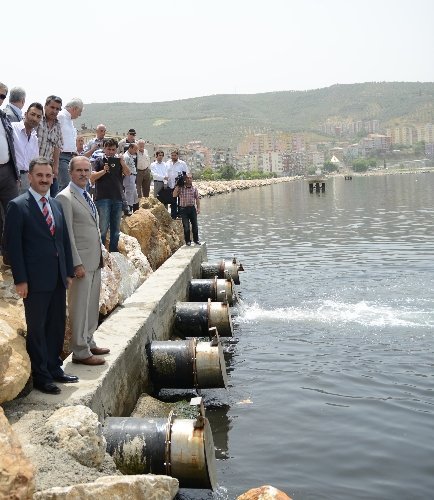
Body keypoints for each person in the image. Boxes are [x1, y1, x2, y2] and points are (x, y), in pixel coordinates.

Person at [3, 157, 77, 395]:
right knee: (37, 328)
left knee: (56, 325)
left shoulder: (55, 204)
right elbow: (13, 247)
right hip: (34, 281)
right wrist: (21, 280)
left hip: (57, 278)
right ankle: (42, 376)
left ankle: (55, 368)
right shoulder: (18, 206)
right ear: (30, 177)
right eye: (40, 176)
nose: (45, 180)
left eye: (48, 176)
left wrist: (67, 272)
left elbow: (62, 240)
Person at [56, 156, 108, 366]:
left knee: (91, 305)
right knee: (79, 307)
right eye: (79, 170)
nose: (84, 174)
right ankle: (79, 350)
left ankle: (89, 340)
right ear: (70, 173)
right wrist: (75, 263)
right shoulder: (65, 197)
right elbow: (67, 234)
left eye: (87, 170)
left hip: (95, 260)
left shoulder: (86, 194)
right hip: (81, 263)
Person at [90, 138, 131, 252]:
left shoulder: (119, 161)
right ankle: (101, 253)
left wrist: (122, 162)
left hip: (117, 198)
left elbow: (128, 173)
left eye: (113, 149)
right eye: (109, 149)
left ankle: (113, 252)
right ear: (104, 148)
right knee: (102, 229)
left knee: (116, 230)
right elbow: (92, 178)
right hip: (102, 198)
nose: (111, 152)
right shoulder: (98, 161)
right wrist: (103, 171)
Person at [0, 82, 20, 245]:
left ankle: (8, 253)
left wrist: (16, 173)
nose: (0, 99)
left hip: (7, 170)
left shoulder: (4, 117)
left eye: (2, 96)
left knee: (13, 211)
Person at [12, 102, 43, 193]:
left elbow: (34, 162)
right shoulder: (12, 128)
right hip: (12, 177)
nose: (35, 118)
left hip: (27, 179)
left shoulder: (34, 138)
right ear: (25, 114)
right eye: (32, 114)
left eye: (38, 116)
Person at [36, 95, 63, 197]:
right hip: (33, 166)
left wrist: (55, 168)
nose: (55, 111)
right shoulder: (37, 120)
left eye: (57, 109)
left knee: (51, 197)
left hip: (48, 167)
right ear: (45, 106)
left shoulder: (58, 125)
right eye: (52, 107)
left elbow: (57, 146)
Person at [57, 98, 84, 192]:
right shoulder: (61, 116)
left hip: (71, 156)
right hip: (61, 156)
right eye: (79, 112)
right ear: (74, 109)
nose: (79, 115)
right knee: (65, 184)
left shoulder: (70, 121)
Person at [172, 173, 201, 246]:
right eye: (187, 178)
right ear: (185, 179)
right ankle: (188, 241)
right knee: (186, 226)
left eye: (190, 178)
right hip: (183, 209)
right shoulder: (181, 188)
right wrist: (177, 185)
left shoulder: (194, 189)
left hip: (192, 209)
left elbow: (197, 199)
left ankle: (196, 240)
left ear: (192, 179)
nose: (189, 179)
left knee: (195, 225)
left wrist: (198, 208)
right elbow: (174, 195)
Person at [166, 149, 190, 219]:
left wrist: (186, 184)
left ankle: (180, 215)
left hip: (180, 185)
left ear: (178, 155)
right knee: (173, 201)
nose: (173, 157)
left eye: (175, 155)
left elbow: (186, 174)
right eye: (172, 155)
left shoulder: (182, 164)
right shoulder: (167, 163)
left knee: (180, 200)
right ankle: (173, 216)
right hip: (170, 185)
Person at [123, 142, 139, 213]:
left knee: (134, 194)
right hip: (129, 176)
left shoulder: (131, 156)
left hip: (133, 176)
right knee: (129, 193)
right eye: (135, 149)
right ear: (130, 148)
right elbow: (124, 167)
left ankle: (136, 210)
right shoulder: (126, 156)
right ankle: (128, 210)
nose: (136, 151)